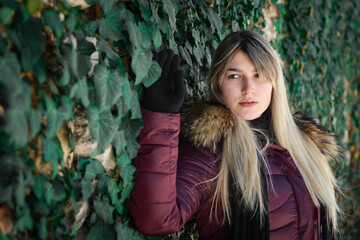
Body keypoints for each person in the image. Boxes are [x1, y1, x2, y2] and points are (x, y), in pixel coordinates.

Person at [127, 30, 341, 240]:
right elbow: (156, 220)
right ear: (218, 84)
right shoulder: (211, 152)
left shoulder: (304, 143)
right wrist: (160, 116)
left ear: (274, 82)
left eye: (259, 74)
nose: (248, 88)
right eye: (234, 76)